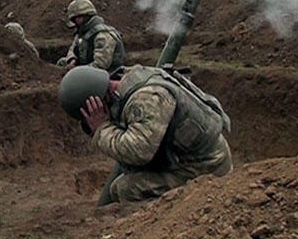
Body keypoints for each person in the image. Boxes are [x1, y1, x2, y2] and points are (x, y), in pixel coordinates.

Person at [58, 64, 232, 204]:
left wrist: (102, 128)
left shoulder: (147, 99)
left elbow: (138, 152)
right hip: (190, 158)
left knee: (125, 188)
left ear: (96, 102)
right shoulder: (130, 81)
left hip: (207, 168)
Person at [56, 0, 124, 72]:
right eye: (75, 19)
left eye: (79, 18)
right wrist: (72, 59)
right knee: (62, 63)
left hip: (107, 75)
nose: (76, 21)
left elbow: (100, 64)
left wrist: (77, 71)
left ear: (87, 16)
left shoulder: (103, 35)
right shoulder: (81, 33)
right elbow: (72, 49)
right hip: (87, 70)